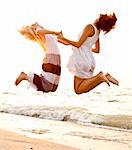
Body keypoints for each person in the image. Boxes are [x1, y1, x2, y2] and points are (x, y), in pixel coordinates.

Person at [57, 13, 119, 94]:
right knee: (80, 89)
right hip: (89, 60)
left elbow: (78, 44)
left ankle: (100, 76)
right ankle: (104, 77)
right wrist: (61, 40)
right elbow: (97, 50)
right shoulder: (97, 31)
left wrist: (63, 38)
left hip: (81, 59)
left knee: (78, 90)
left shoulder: (90, 27)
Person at [15, 23, 62, 92]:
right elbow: (38, 31)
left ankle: (27, 76)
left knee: (52, 86)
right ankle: (25, 76)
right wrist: (56, 32)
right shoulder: (39, 31)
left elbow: (62, 40)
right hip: (51, 58)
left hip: (54, 58)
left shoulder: (49, 35)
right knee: (47, 85)